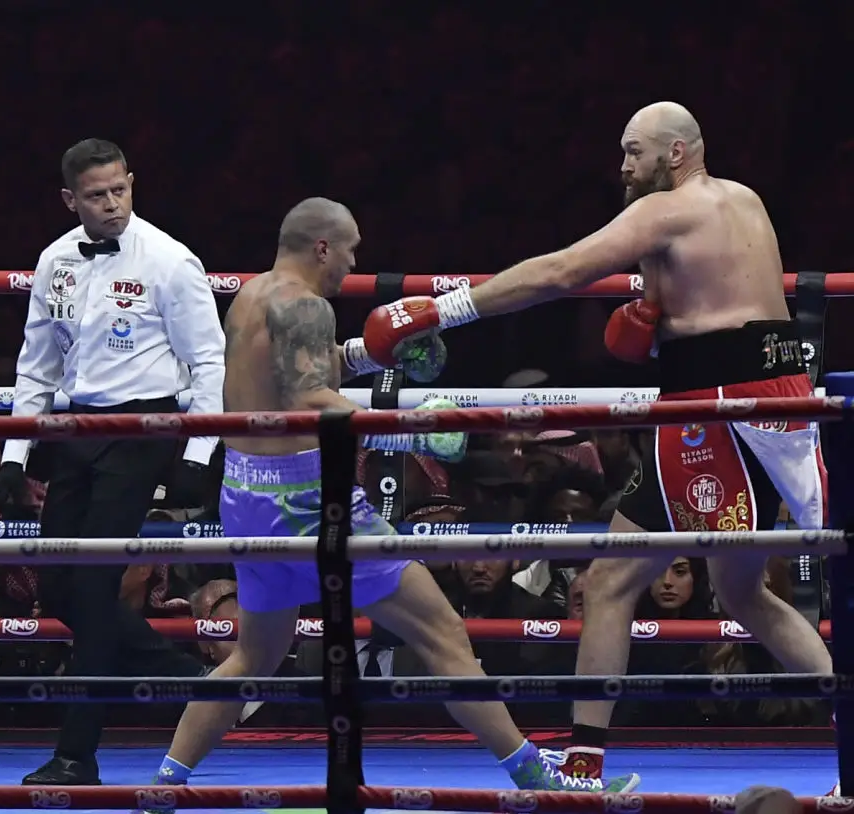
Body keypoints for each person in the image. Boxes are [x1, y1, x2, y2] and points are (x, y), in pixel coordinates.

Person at [362, 101, 833, 785]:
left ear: (676, 153)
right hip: (769, 396)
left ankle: (584, 765)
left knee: (613, 580)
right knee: (743, 595)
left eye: (634, 151)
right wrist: (653, 320)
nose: (624, 166)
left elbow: (560, 272)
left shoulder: (666, 210)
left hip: (714, 411)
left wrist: (443, 308)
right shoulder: (744, 201)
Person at [143, 197, 639, 797]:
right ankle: (539, 778)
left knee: (254, 656)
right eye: (350, 250)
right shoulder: (307, 306)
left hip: (246, 492)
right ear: (323, 247)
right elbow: (307, 400)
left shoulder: (251, 296)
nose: (353, 264)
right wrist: (411, 430)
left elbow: (292, 375)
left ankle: (164, 784)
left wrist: (372, 353)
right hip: (309, 497)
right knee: (442, 633)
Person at [0, 138, 224, 785]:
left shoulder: (171, 260)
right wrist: (15, 453)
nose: (112, 203)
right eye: (97, 195)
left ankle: (77, 755)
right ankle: (197, 681)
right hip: (76, 429)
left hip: (143, 429)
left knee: (94, 589)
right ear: (71, 199)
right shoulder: (54, 261)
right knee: (58, 588)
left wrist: (197, 452)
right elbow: (36, 365)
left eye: (120, 189)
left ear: (132, 183)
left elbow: (209, 360)